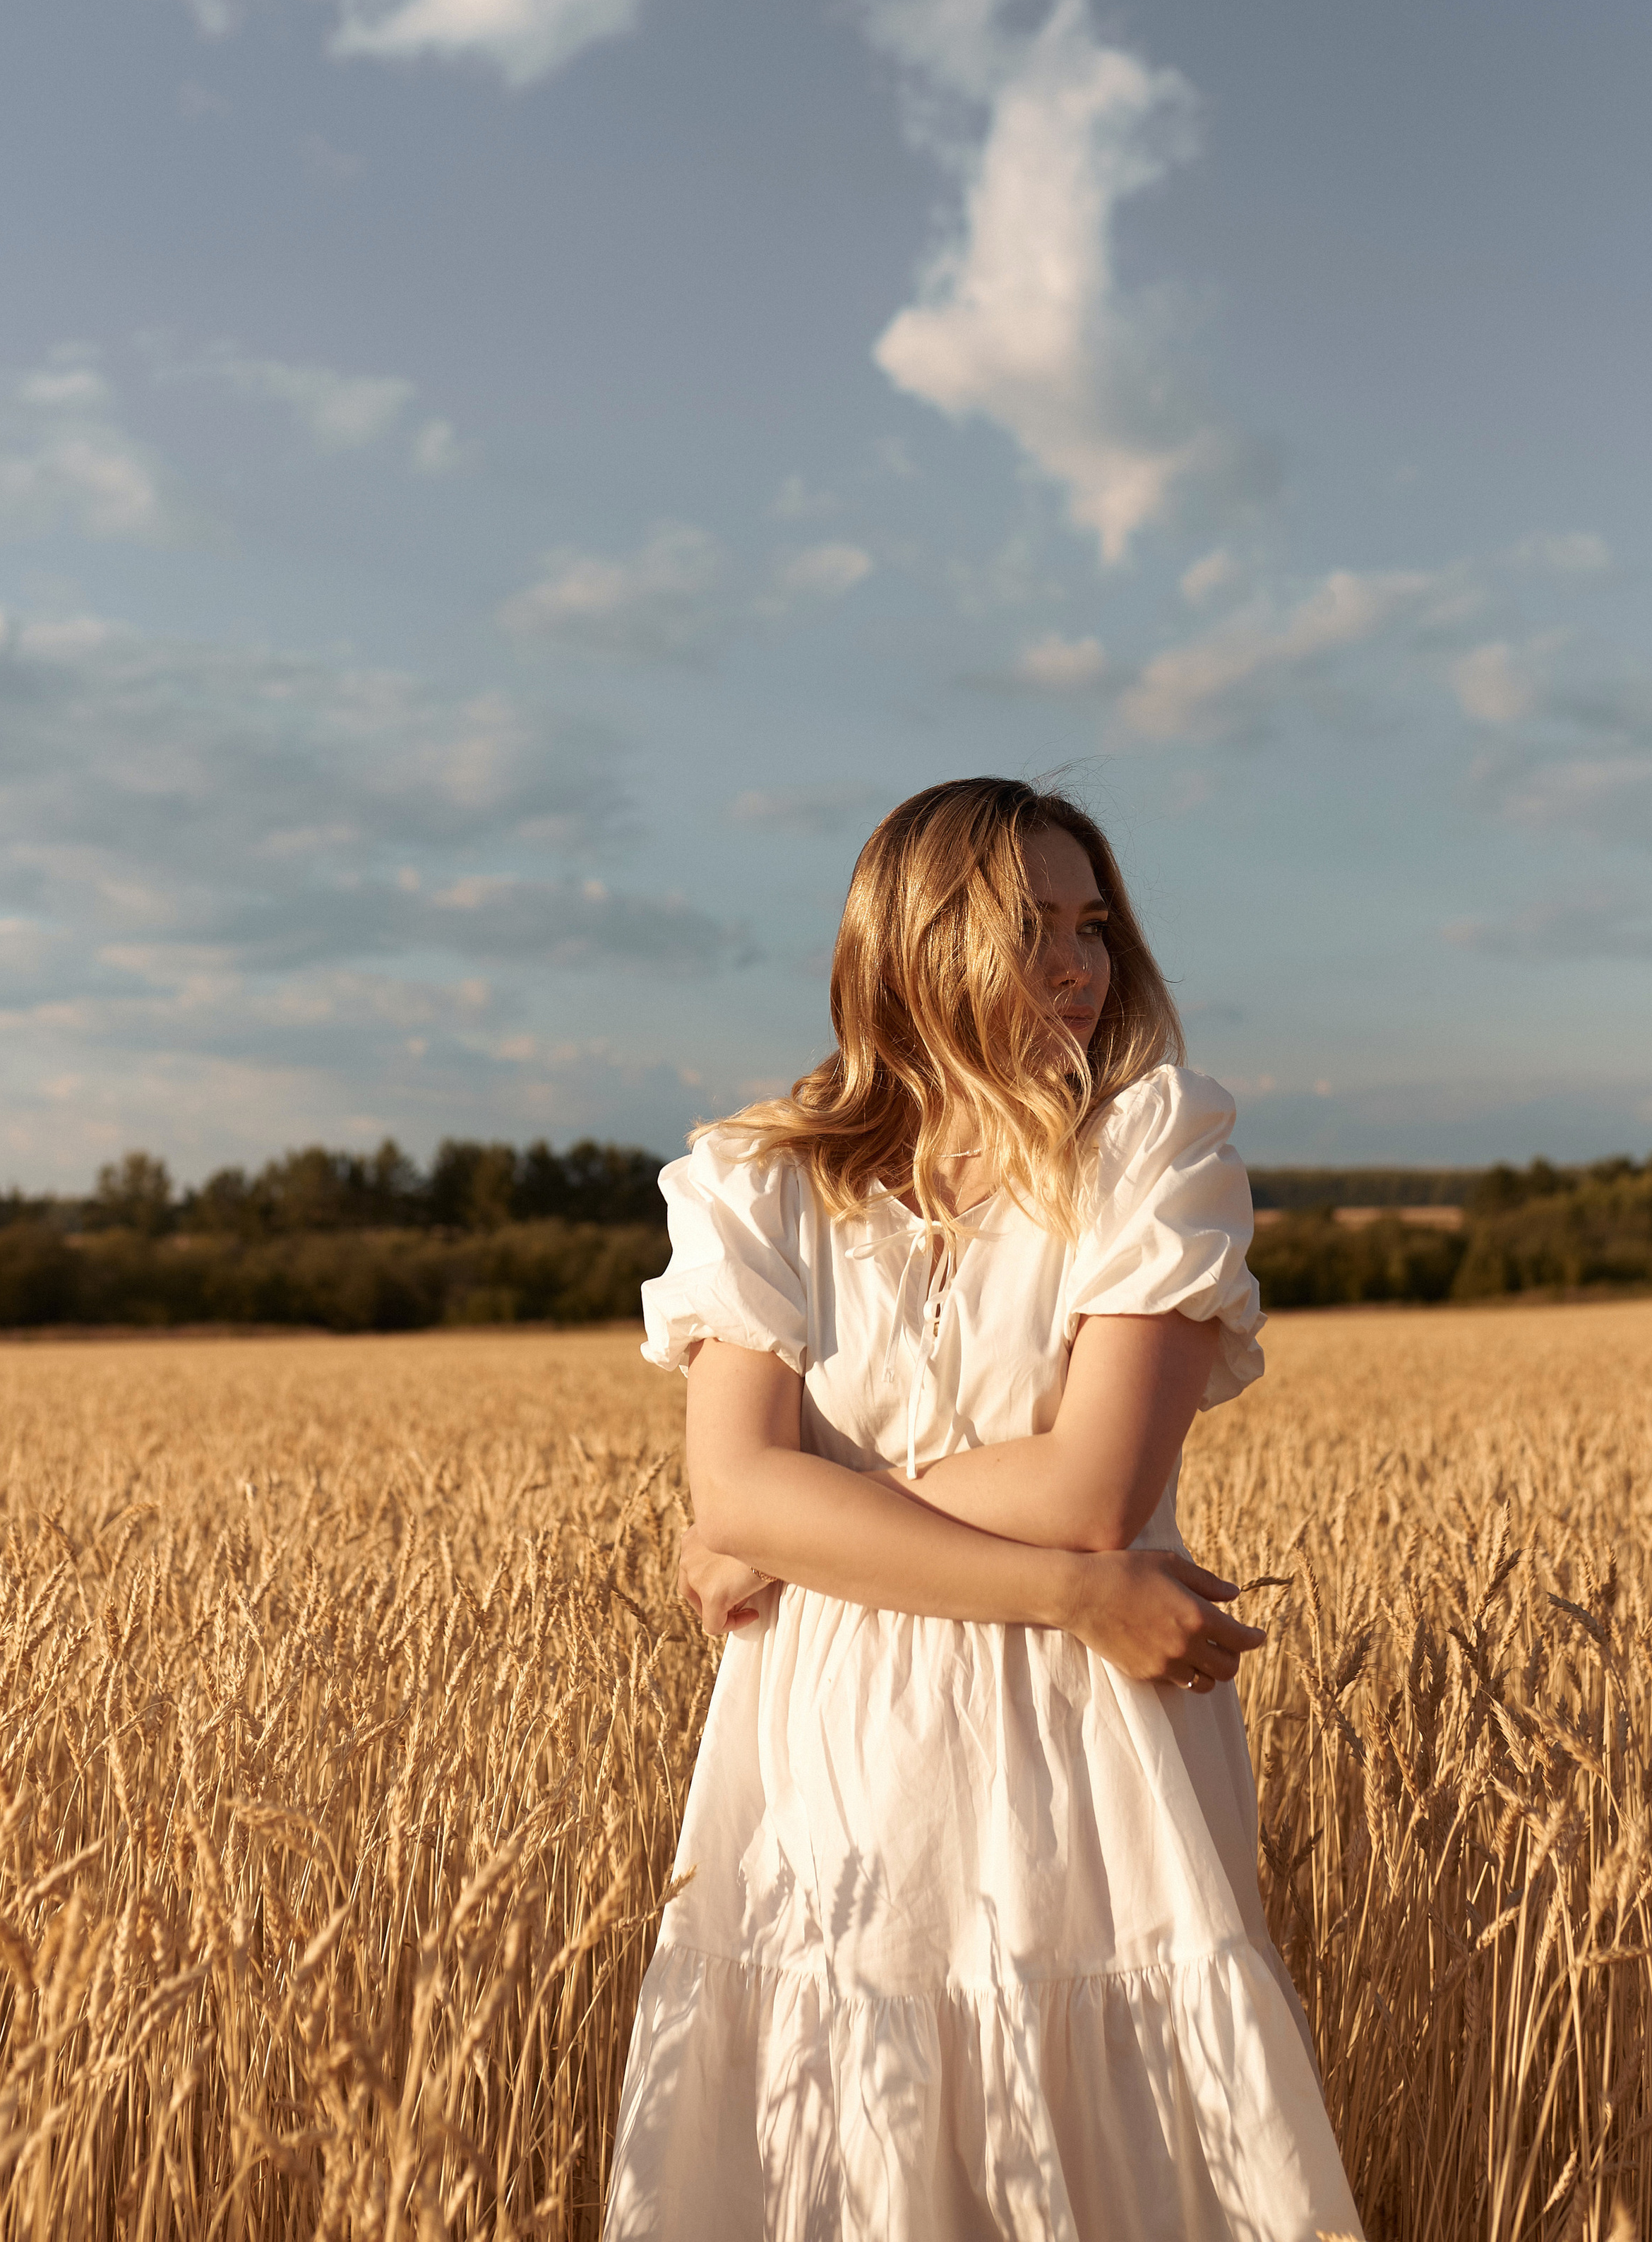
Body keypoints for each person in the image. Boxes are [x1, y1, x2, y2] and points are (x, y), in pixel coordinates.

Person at [603, 778, 1364, 2242]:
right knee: (851, 2134)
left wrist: (799, 1514)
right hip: (839, 1755)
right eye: (1032, 927)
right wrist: (1072, 1590)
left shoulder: (1148, 1146)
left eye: (1094, 923)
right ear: (910, 945)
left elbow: (1091, 1489)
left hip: (1081, 1748)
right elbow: (744, 1489)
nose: (1080, 962)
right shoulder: (755, 1184)